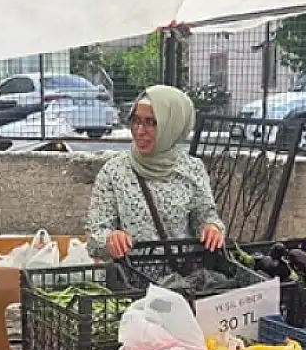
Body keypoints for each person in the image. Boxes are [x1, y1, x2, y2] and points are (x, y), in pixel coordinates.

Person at [85, 85, 225, 258]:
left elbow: (205, 216)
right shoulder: (114, 172)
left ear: (172, 126)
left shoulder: (193, 169)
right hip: (133, 273)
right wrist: (110, 239)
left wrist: (212, 229)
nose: (140, 131)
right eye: (136, 121)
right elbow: (95, 234)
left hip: (183, 272)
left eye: (151, 123)